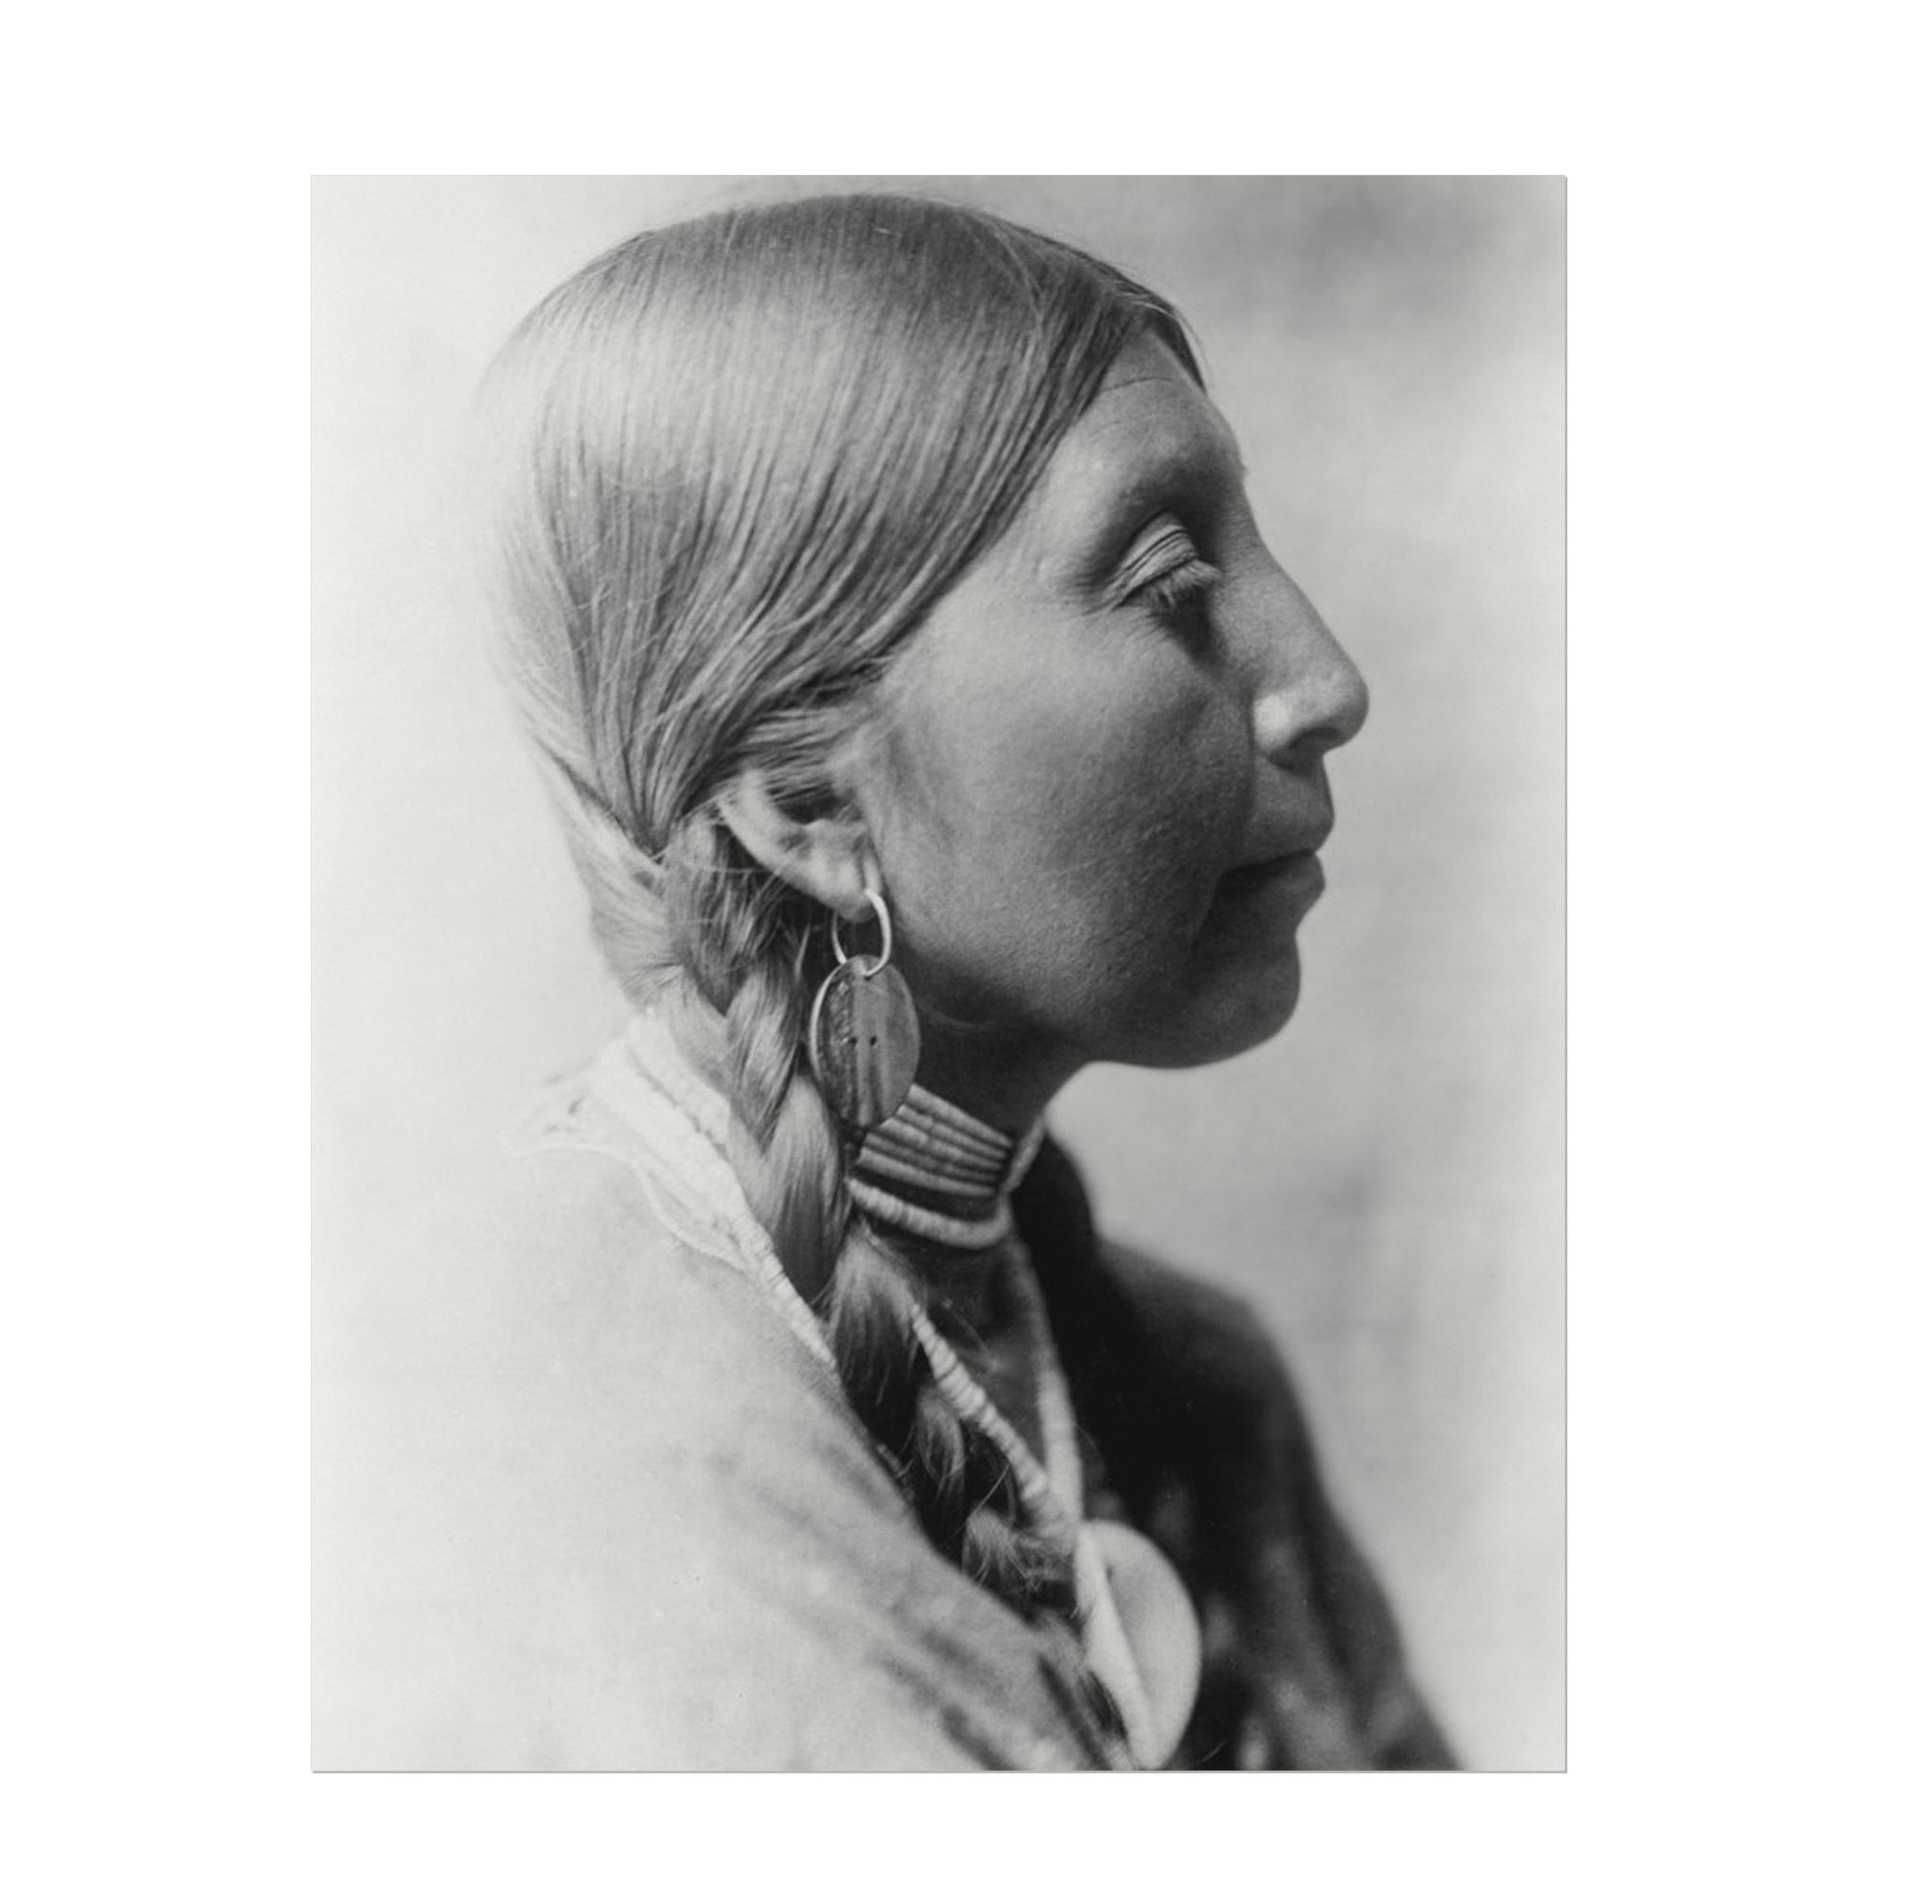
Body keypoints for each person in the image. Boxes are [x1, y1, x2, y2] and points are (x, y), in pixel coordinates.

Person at [415, 191, 1451, 1770]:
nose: (1322, 682)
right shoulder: (573, 1415)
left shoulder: (1190, 1384)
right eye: (1168, 580)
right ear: (804, 802)